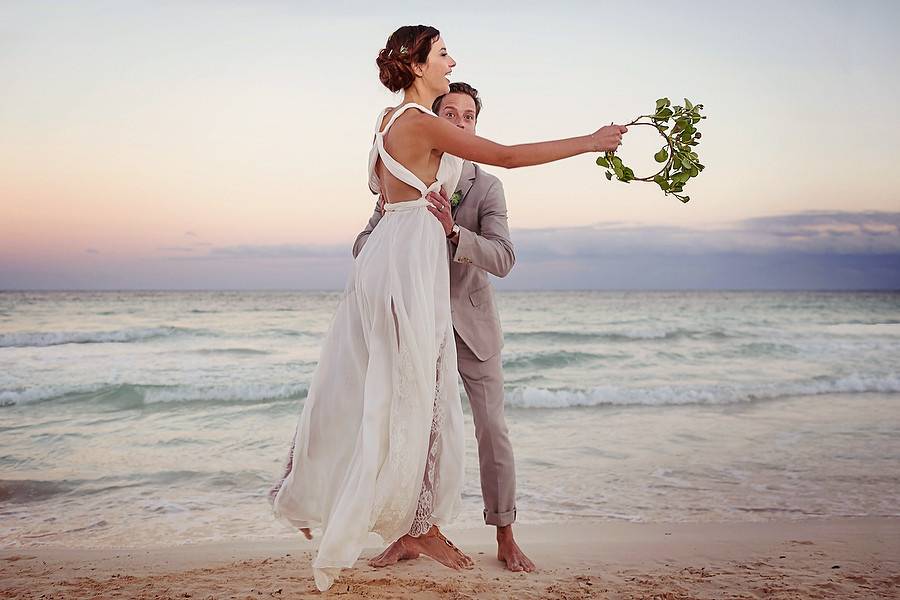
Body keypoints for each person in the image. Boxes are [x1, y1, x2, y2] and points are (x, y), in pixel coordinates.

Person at [268, 24, 627, 592]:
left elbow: (401, 199)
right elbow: (506, 155)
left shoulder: (386, 121)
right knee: (419, 397)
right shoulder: (417, 122)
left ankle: (385, 512)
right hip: (407, 258)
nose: (451, 59)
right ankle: (413, 524)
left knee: (386, 391)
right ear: (416, 66)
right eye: (441, 53)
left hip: (391, 257)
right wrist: (590, 141)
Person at [353, 82, 534, 573]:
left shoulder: (486, 185)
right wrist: (402, 238)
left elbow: (504, 258)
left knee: (492, 431)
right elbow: (366, 240)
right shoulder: (409, 172)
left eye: (467, 116)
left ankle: (506, 535)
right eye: (447, 114)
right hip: (414, 323)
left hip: (471, 326)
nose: (457, 123)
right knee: (411, 429)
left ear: (476, 125)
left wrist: (453, 232)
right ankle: (410, 536)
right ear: (433, 123)